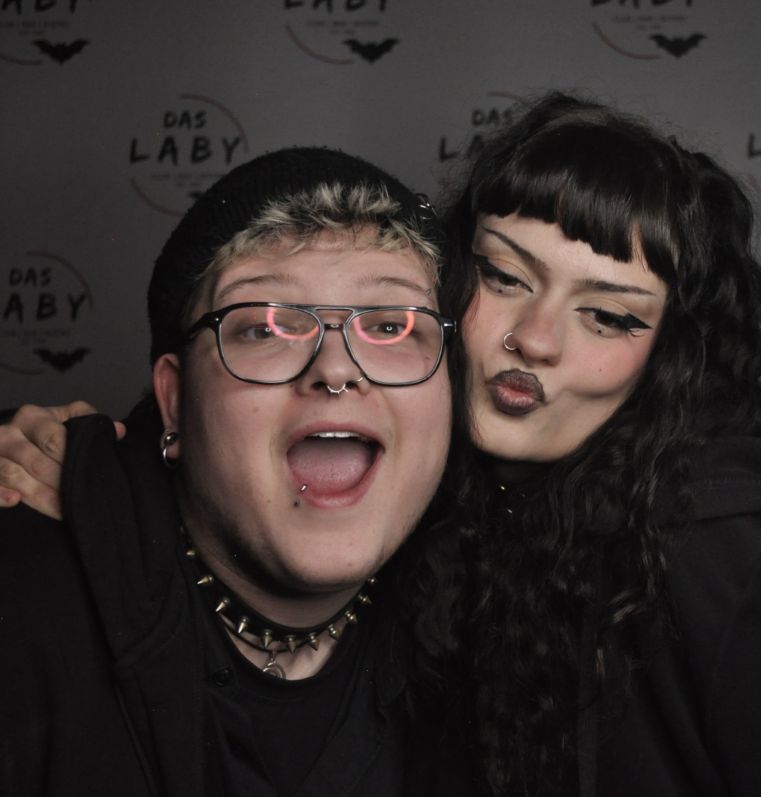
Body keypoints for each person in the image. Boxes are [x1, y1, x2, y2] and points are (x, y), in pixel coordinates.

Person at [1, 93, 761, 796]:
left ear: (665, 361)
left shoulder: (722, 549)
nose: (536, 340)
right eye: (508, 278)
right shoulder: (446, 520)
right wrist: (96, 468)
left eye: (609, 315)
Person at [0, 146, 465, 795]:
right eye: (266, 328)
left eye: (390, 325)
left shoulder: (495, 624)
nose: (335, 368)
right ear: (174, 401)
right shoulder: (26, 606)